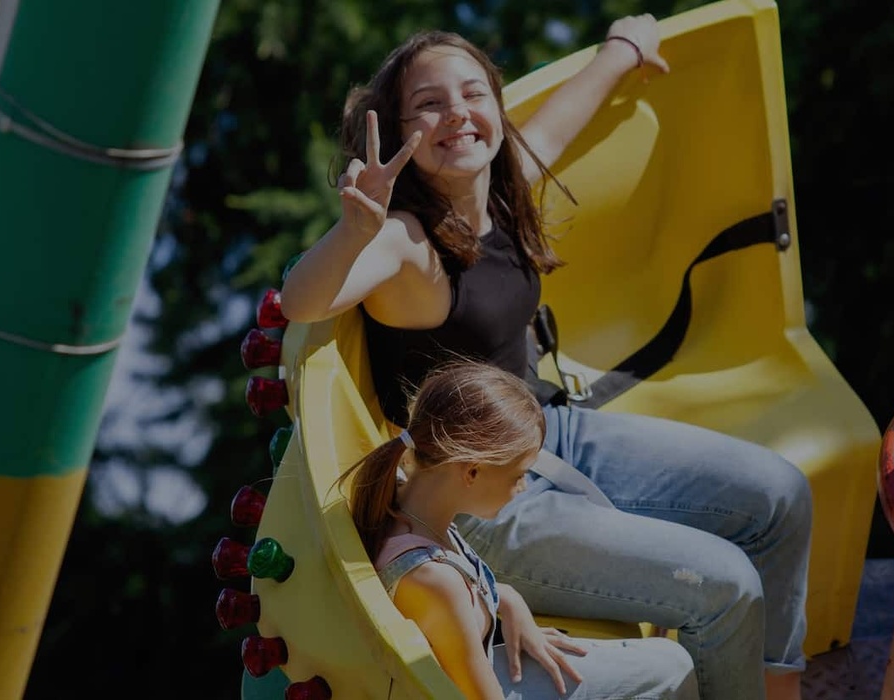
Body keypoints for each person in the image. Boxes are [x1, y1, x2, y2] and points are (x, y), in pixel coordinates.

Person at [281, 15, 811, 700]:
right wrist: (354, 229)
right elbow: (301, 300)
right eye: (429, 104)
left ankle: (778, 688)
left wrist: (622, 48)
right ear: (398, 131)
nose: (457, 113)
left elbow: (560, 123)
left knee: (781, 496)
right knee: (725, 586)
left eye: (473, 93)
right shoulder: (406, 242)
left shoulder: (501, 189)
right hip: (479, 499)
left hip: (547, 432)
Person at [343, 362, 699, 699]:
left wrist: (508, 598)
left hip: (484, 666)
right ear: (472, 471)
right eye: (518, 475)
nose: (524, 487)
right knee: (673, 668)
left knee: (669, 661)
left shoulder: (408, 500)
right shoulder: (435, 580)